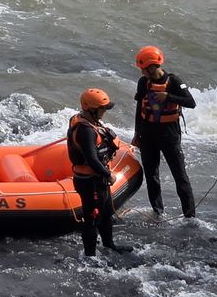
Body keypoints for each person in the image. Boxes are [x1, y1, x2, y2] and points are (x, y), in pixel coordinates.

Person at [132, 45, 198, 219]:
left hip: (169, 134)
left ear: (153, 66)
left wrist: (169, 96)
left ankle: (189, 216)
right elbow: (140, 107)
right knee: (151, 174)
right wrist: (136, 133)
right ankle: (157, 211)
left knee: (180, 176)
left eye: (144, 69)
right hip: (147, 133)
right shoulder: (143, 83)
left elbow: (191, 102)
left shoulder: (175, 81)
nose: (142, 72)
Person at [67, 88, 132, 257]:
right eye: (102, 108)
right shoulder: (85, 130)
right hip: (90, 181)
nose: (104, 111)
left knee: (106, 213)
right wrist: (107, 174)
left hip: (97, 180)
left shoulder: (89, 121)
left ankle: (109, 245)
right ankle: (90, 256)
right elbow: (91, 159)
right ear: (91, 109)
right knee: (93, 218)